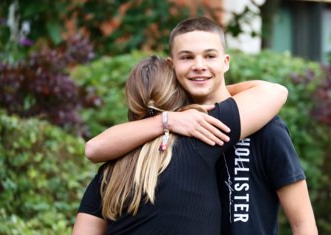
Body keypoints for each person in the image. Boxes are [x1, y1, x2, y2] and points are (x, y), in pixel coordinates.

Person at [76, 16, 318, 234]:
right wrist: (170, 119)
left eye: (210, 56)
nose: (199, 65)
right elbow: (95, 148)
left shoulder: (267, 128)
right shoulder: (170, 137)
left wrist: (223, 98)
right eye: (187, 57)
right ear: (172, 67)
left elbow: (302, 222)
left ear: (225, 62)